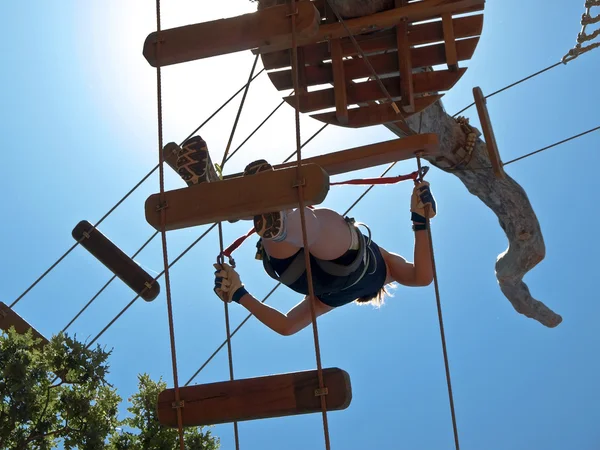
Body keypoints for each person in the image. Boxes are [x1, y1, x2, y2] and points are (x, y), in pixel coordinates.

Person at [167, 135, 436, 336]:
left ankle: (275, 215)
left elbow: (423, 277)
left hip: (343, 261)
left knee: (321, 226)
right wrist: (239, 294)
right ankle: (271, 218)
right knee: (286, 228)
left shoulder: (385, 269)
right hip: (295, 273)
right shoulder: (326, 302)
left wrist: (419, 220)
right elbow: (286, 326)